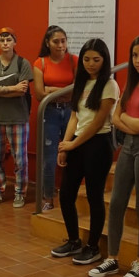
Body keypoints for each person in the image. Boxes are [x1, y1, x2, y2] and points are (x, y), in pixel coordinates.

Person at [89, 34, 139, 277]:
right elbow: (115, 118)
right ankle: (112, 258)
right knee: (117, 202)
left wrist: (128, 123)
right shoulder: (132, 82)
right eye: (135, 55)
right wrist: (133, 124)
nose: (138, 60)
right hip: (130, 145)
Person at [50, 39, 118, 265]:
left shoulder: (109, 85)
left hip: (98, 143)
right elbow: (75, 117)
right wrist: (65, 145)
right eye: (87, 59)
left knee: (93, 195)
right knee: (66, 194)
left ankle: (93, 247)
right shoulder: (80, 82)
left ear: (104, 60)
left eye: (96, 60)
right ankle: (73, 240)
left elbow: (98, 123)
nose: (90, 64)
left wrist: (73, 144)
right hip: (77, 143)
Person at [0, 27, 34, 208]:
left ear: (14, 42)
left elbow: (22, 91)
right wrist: (12, 88)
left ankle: (20, 192)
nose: (5, 43)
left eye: (9, 40)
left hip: (18, 118)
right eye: (2, 40)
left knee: (20, 159)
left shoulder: (22, 64)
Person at [33, 25, 77, 211]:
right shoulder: (40, 63)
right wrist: (62, 91)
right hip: (49, 113)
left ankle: (71, 197)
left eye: (63, 41)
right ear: (47, 43)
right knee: (48, 159)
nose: (60, 45)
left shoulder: (74, 61)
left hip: (71, 112)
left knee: (73, 155)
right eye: (56, 41)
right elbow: (39, 94)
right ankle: (48, 198)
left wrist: (51, 90)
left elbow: (77, 92)